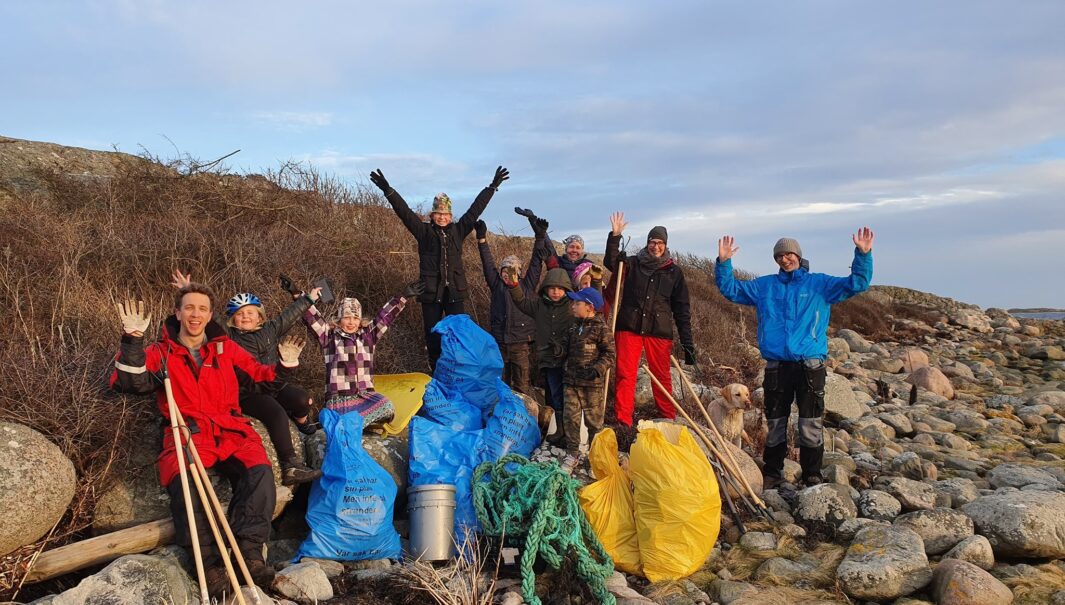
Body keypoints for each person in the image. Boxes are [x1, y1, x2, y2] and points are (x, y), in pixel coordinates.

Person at [110, 284, 300, 596]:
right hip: (188, 431)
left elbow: (262, 380)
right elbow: (128, 382)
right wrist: (132, 339)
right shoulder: (162, 351)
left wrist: (285, 365)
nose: (195, 314)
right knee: (187, 486)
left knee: (260, 473)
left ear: (210, 315)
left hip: (230, 428)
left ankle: (248, 555)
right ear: (178, 312)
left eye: (201, 309)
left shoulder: (225, 348)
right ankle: (212, 566)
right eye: (189, 308)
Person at [714, 228, 874, 488]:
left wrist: (863, 254)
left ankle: (812, 473)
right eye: (779, 256)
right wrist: (724, 263)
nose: (784, 259)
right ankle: (773, 471)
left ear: (798, 256)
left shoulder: (820, 284)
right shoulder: (764, 286)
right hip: (777, 365)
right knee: (775, 421)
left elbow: (857, 283)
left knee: (809, 422)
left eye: (788, 254)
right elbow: (731, 290)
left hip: (811, 365)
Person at [171, 270, 321, 486]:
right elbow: (207, 315)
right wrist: (189, 289)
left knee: (301, 399)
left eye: (250, 312)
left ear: (259, 315)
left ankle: (303, 423)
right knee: (275, 412)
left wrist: (310, 298)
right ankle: (291, 465)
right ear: (233, 319)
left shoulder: (270, 329)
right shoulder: (228, 336)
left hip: (273, 382)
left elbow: (291, 314)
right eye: (240, 314)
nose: (246, 317)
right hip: (248, 391)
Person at [370, 166, 509, 370]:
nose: (442, 217)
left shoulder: (458, 231)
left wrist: (492, 187)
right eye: (438, 213)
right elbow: (405, 213)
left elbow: (475, 210)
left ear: (450, 216)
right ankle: (435, 370)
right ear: (432, 215)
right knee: (433, 335)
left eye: (445, 214)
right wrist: (388, 191)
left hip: (454, 292)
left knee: (458, 334)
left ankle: (458, 370)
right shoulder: (424, 232)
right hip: (431, 292)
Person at [604, 212, 696, 427]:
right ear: (647, 243)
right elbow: (611, 263)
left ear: (666, 245)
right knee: (625, 375)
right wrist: (615, 236)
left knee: (662, 376)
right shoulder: (632, 263)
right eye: (652, 242)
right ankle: (623, 421)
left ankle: (667, 418)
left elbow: (682, 309)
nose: (656, 246)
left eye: (660, 243)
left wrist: (688, 343)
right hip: (629, 327)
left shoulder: (674, 272)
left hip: (659, 331)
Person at [302, 282, 424, 430]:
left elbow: (384, 317)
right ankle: (348, 423)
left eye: (355, 318)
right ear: (339, 319)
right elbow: (313, 319)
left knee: (387, 407)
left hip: (365, 397)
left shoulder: (368, 336)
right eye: (346, 317)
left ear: (360, 320)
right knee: (338, 416)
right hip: (339, 398)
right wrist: (298, 295)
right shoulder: (329, 337)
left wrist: (402, 297)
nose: (351, 322)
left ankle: (350, 424)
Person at [475, 208, 551, 396]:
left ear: (518, 271)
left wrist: (540, 238)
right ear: (500, 272)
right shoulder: (496, 285)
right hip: (500, 343)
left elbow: (536, 261)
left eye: (512, 270)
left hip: (520, 344)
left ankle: (520, 416)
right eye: (505, 270)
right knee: (499, 383)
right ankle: (500, 414)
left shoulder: (527, 284)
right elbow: (487, 263)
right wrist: (482, 240)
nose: (508, 273)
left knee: (521, 385)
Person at [506, 267, 575, 443]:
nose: (556, 292)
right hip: (548, 359)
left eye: (560, 288)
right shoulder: (539, 305)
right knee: (553, 394)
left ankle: (567, 431)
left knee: (567, 396)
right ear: (545, 288)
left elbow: (592, 304)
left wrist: (596, 283)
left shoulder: (572, 306)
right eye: (552, 288)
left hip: (568, 360)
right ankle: (556, 429)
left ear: (566, 289)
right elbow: (521, 301)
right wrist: (514, 285)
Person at [561, 287, 616, 463]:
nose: (573, 307)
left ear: (590, 307)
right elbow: (565, 348)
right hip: (571, 381)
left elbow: (610, 354)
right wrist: (558, 351)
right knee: (570, 418)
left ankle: (595, 458)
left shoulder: (601, 329)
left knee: (594, 423)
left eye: (577, 303)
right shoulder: (572, 326)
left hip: (592, 384)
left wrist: (597, 369)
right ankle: (572, 454)